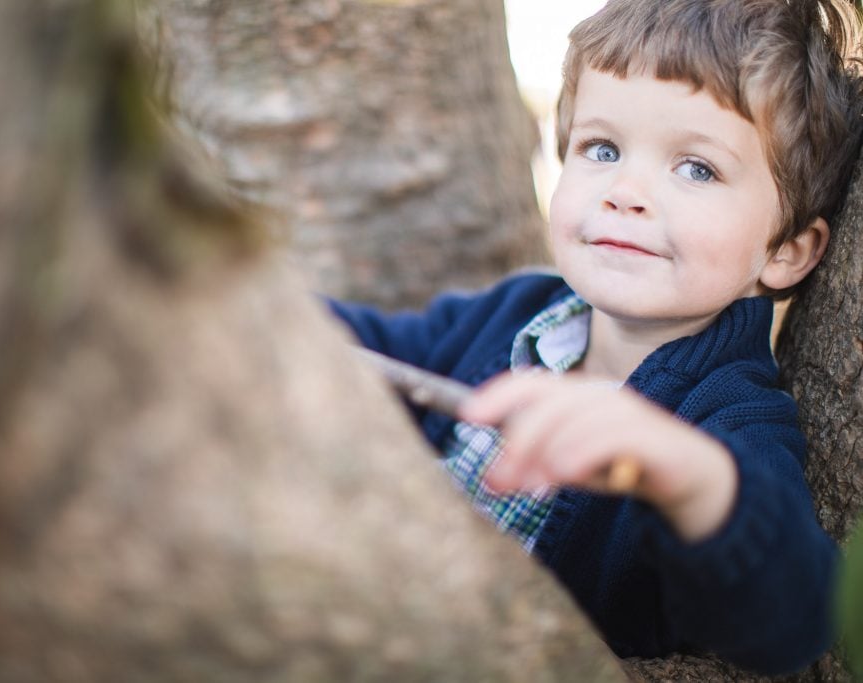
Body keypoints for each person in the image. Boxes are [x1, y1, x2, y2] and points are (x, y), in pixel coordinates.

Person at [329, 0, 863, 675]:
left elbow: (794, 623)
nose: (625, 190)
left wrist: (688, 476)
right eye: (602, 148)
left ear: (786, 249)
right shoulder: (518, 314)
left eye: (697, 168)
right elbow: (355, 349)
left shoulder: (731, 414)